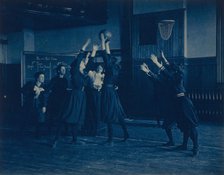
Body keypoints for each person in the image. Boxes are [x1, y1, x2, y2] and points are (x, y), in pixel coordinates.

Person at [150, 52, 199, 156]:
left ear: (175, 70)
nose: (169, 69)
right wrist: (163, 58)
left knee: (190, 126)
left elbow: (168, 72)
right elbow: (168, 69)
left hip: (184, 102)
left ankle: (196, 147)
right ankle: (184, 145)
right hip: (177, 103)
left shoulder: (178, 76)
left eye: (171, 68)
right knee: (184, 125)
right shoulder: (173, 75)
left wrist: (157, 63)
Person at [52, 39, 92, 148]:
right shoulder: (75, 72)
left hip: (80, 98)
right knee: (65, 117)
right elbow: (79, 59)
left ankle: (74, 139)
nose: (84, 64)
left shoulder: (82, 75)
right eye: (83, 63)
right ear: (78, 66)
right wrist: (84, 47)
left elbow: (86, 65)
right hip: (74, 97)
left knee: (76, 119)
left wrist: (89, 56)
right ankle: (56, 139)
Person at [100, 31, 129, 144]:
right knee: (117, 114)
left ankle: (110, 139)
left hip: (107, 91)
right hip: (112, 91)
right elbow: (107, 54)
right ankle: (126, 133)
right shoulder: (115, 68)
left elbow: (104, 53)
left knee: (109, 114)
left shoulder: (108, 66)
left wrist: (103, 40)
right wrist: (108, 43)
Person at [140, 60, 176, 147]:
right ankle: (172, 141)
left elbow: (157, 79)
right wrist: (147, 70)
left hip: (171, 103)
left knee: (171, 124)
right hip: (164, 102)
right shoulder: (163, 76)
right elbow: (154, 78)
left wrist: (147, 70)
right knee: (167, 125)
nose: (159, 70)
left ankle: (182, 143)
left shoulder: (168, 77)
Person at [83, 46, 105, 136]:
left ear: (102, 69)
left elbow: (105, 84)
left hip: (98, 94)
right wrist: (88, 57)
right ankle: (90, 129)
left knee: (97, 111)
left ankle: (96, 129)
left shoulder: (103, 75)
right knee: (90, 111)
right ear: (96, 68)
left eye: (101, 68)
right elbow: (86, 67)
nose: (99, 68)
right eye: (98, 67)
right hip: (91, 93)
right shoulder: (92, 73)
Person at [21, 71, 47, 138]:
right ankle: (23, 134)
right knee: (27, 118)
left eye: (43, 77)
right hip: (30, 104)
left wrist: (44, 106)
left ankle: (38, 134)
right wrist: (33, 91)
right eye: (41, 77)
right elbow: (23, 91)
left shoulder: (44, 86)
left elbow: (45, 97)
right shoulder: (30, 84)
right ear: (37, 78)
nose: (43, 78)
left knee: (40, 119)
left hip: (39, 105)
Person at [46, 64, 68, 136]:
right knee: (52, 117)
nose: (64, 70)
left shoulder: (65, 80)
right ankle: (49, 132)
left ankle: (62, 132)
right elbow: (49, 88)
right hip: (54, 100)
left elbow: (66, 90)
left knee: (62, 116)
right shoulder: (54, 79)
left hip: (63, 101)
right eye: (62, 69)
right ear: (58, 71)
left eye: (64, 69)